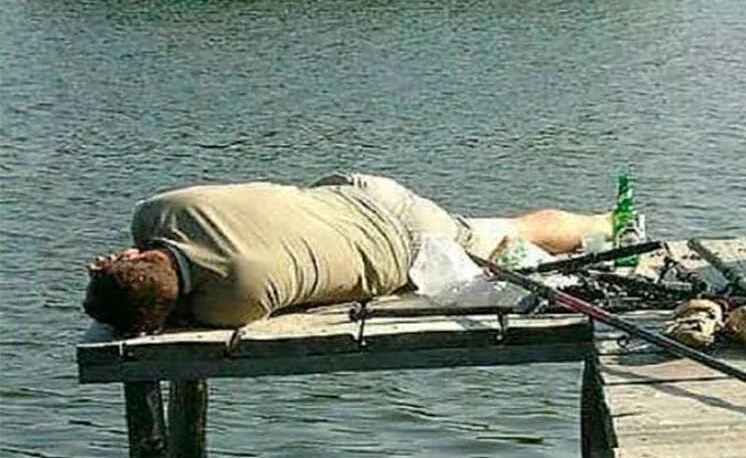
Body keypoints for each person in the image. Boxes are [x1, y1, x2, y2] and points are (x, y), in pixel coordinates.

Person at [83, 173, 615, 334]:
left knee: (516, 233)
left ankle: (605, 226)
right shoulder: (160, 212)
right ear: (132, 257)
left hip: (402, 244)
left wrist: (144, 304)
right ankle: (606, 223)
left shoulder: (230, 304)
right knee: (507, 229)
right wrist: (133, 267)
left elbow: (173, 306)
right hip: (360, 195)